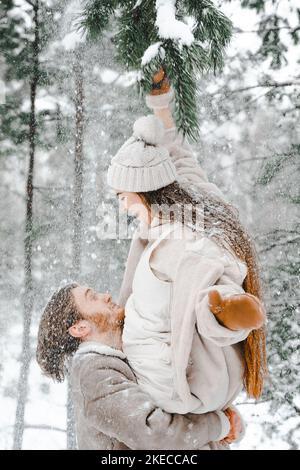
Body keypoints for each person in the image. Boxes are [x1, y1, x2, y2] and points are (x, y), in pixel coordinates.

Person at [106, 69, 267, 416]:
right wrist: (161, 104)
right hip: (164, 381)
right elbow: (177, 154)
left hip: (173, 388)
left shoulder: (180, 240)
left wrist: (225, 310)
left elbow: (209, 283)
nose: (120, 205)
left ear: (145, 191)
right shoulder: (194, 199)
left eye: (122, 195)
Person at [36, 283, 242, 450]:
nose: (106, 295)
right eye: (92, 297)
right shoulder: (94, 373)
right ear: (80, 328)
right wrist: (218, 424)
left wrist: (214, 408)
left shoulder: (130, 353)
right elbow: (155, 435)